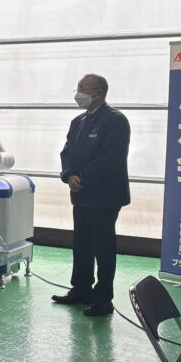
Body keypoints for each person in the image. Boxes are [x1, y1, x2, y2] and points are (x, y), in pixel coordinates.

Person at [53, 74, 131, 317]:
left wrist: (83, 179)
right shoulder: (78, 121)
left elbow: (110, 158)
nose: (78, 93)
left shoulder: (115, 120)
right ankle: (81, 289)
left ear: (98, 93)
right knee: (82, 243)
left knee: (103, 247)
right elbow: (67, 152)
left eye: (82, 88)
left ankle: (103, 298)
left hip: (104, 196)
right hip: (81, 194)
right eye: (77, 88)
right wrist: (68, 175)